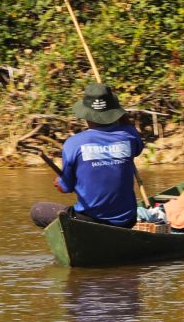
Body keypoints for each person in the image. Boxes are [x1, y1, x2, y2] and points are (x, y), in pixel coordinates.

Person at [30, 83, 144, 229]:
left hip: (89, 220)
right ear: (115, 113)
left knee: (38, 210)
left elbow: (65, 187)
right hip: (127, 220)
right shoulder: (130, 136)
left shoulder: (73, 144)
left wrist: (60, 183)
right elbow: (135, 143)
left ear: (86, 114)